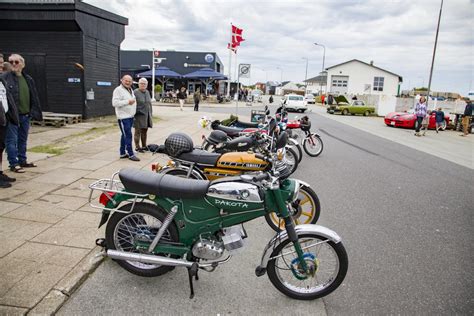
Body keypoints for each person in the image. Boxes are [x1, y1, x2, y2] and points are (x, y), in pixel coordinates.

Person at [2, 54, 42, 173]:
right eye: (11, 62)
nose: (14, 64)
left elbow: (34, 96)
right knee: (11, 140)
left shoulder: (28, 79)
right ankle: (13, 163)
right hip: (12, 116)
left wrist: (34, 112)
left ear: (23, 64)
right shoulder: (4, 78)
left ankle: (22, 160)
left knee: (22, 139)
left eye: (16, 62)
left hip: (25, 115)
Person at [0, 58, 19, 187]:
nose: (2, 65)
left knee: (0, 148)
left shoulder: (1, 80)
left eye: (1, 62)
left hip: (4, 119)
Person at [112, 75, 139, 161]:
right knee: (128, 135)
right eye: (126, 80)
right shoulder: (118, 90)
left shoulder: (130, 89)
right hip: (123, 117)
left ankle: (122, 153)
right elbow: (115, 103)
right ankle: (131, 154)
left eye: (129, 81)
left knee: (124, 135)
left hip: (130, 116)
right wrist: (128, 101)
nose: (128, 82)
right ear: (121, 80)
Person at [133, 78, 153, 153]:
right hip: (138, 115)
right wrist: (137, 111)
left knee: (144, 131)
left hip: (146, 115)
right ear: (138, 84)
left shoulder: (147, 92)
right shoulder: (135, 92)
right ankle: (137, 147)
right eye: (141, 83)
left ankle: (144, 146)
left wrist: (150, 113)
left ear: (147, 85)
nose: (143, 85)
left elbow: (149, 104)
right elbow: (133, 104)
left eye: (144, 84)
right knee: (137, 131)